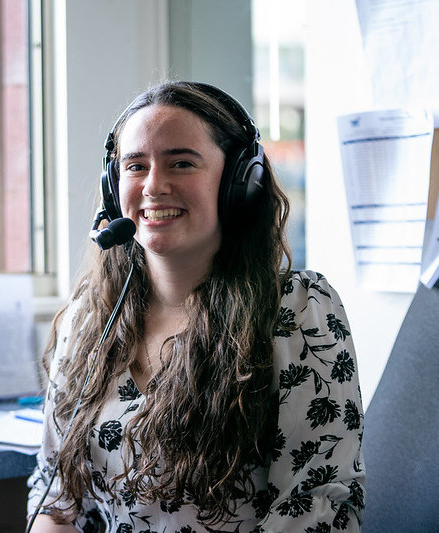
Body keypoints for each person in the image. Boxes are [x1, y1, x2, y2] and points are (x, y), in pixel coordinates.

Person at [26, 81, 365, 532]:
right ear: (114, 187)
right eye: (135, 166)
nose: (153, 185)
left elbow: (318, 504)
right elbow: (53, 497)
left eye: (181, 163)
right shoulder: (89, 319)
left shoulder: (298, 309)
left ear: (241, 181)